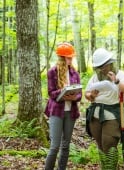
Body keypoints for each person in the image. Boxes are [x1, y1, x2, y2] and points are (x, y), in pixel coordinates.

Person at [85, 48, 124, 169]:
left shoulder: (120, 74)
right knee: (101, 146)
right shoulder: (96, 77)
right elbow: (87, 93)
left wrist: (116, 81)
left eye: (104, 65)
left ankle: (110, 167)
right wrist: (91, 96)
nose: (102, 69)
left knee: (109, 146)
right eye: (100, 67)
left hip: (113, 115)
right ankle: (105, 167)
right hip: (96, 115)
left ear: (110, 63)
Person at [44, 42, 82, 170]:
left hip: (70, 112)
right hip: (56, 112)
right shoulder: (52, 72)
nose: (71, 59)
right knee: (55, 146)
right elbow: (51, 92)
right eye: (68, 57)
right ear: (61, 58)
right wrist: (62, 92)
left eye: (72, 57)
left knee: (66, 145)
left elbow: (79, 94)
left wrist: (73, 97)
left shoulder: (75, 74)